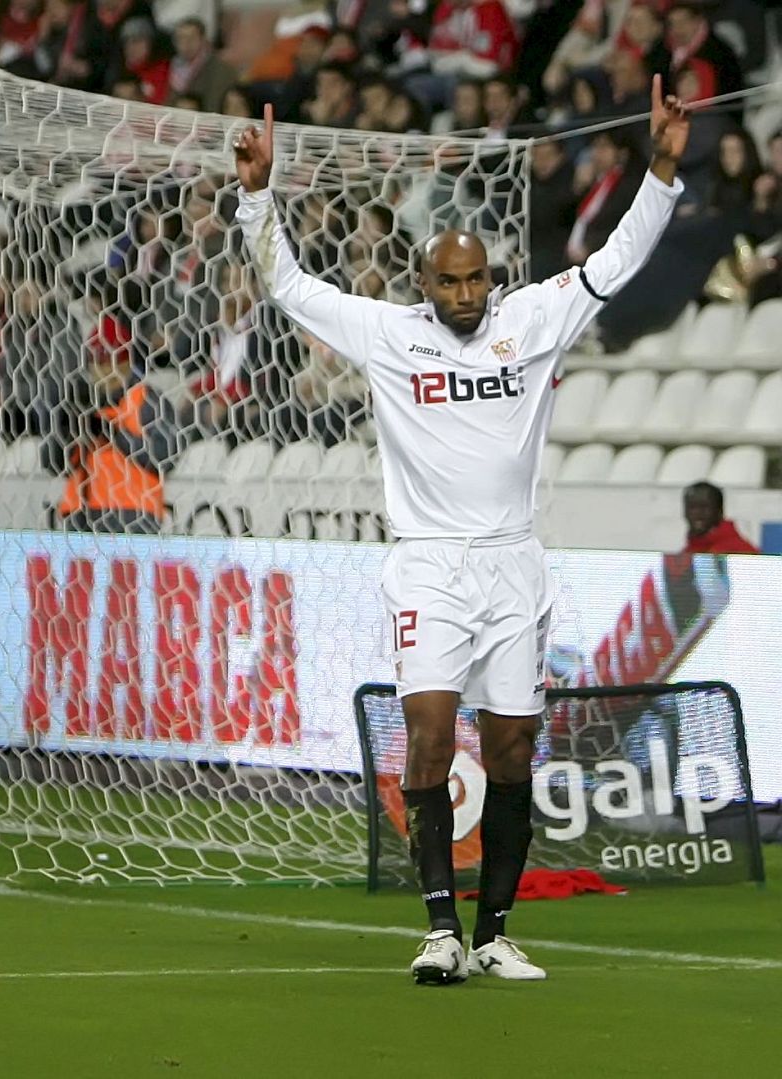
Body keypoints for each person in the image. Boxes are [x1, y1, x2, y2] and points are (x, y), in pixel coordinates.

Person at [232, 75, 689, 984]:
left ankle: (496, 933)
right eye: (450, 281)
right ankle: (441, 927)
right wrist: (256, 197)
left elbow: (615, 259)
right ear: (424, 284)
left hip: (515, 564)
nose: (466, 292)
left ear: (495, 277)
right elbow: (285, 284)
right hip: (431, 568)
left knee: (515, 747)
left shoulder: (532, 320)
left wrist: (663, 171)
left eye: (477, 277)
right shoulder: (389, 334)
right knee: (434, 738)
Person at [43, 314, 180, 534]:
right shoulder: (79, 402)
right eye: (99, 363)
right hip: (81, 513)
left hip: (133, 514)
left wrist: (117, 435)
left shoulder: (147, 400)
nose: (106, 371)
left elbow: (167, 456)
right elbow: (51, 463)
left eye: (115, 361)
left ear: (128, 363)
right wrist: (67, 432)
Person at [682, 482, 759, 554]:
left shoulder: (740, 551)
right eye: (691, 507)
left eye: (704, 507)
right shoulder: (686, 555)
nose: (697, 513)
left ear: (719, 510)